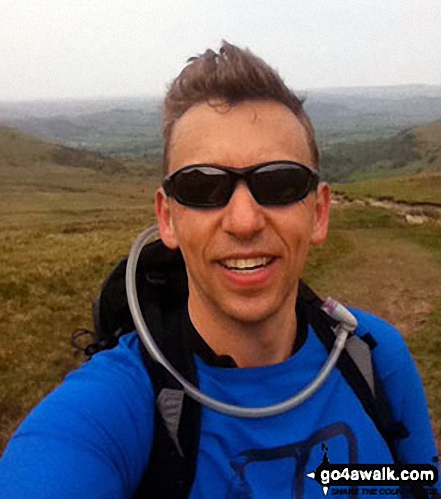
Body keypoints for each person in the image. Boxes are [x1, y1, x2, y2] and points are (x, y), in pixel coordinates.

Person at [1, 42, 438, 498]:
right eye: (202, 186)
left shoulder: (372, 355)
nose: (244, 221)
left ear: (319, 213)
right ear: (167, 217)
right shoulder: (113, 408)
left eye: (279, 182)